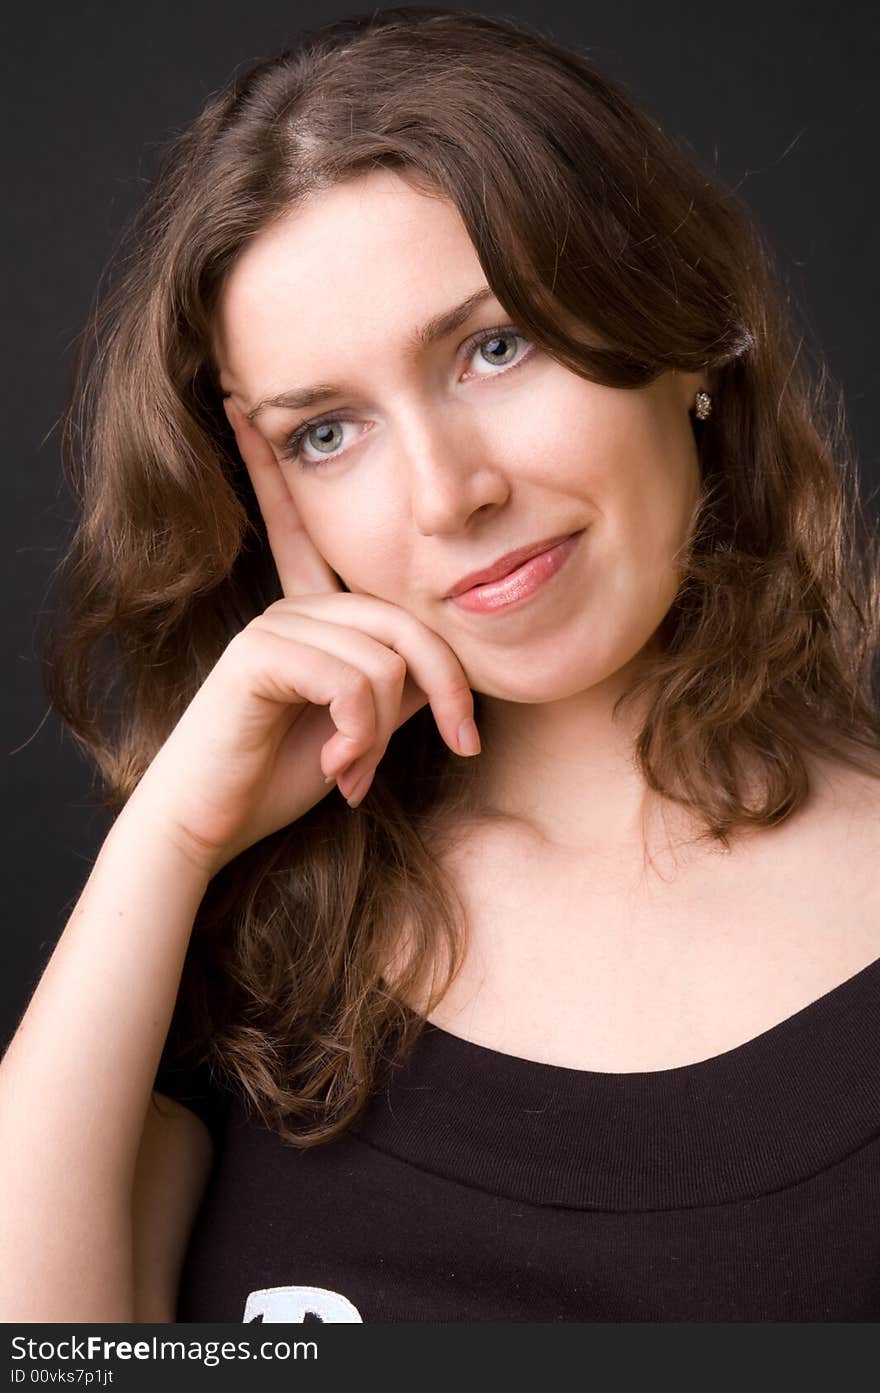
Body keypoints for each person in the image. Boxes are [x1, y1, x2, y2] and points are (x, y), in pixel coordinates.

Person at [2, 5, 880, 1325]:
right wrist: (171, 841)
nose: (445, 495)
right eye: (327, 433)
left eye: (494, 344)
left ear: (684, 328)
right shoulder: (241, 946)